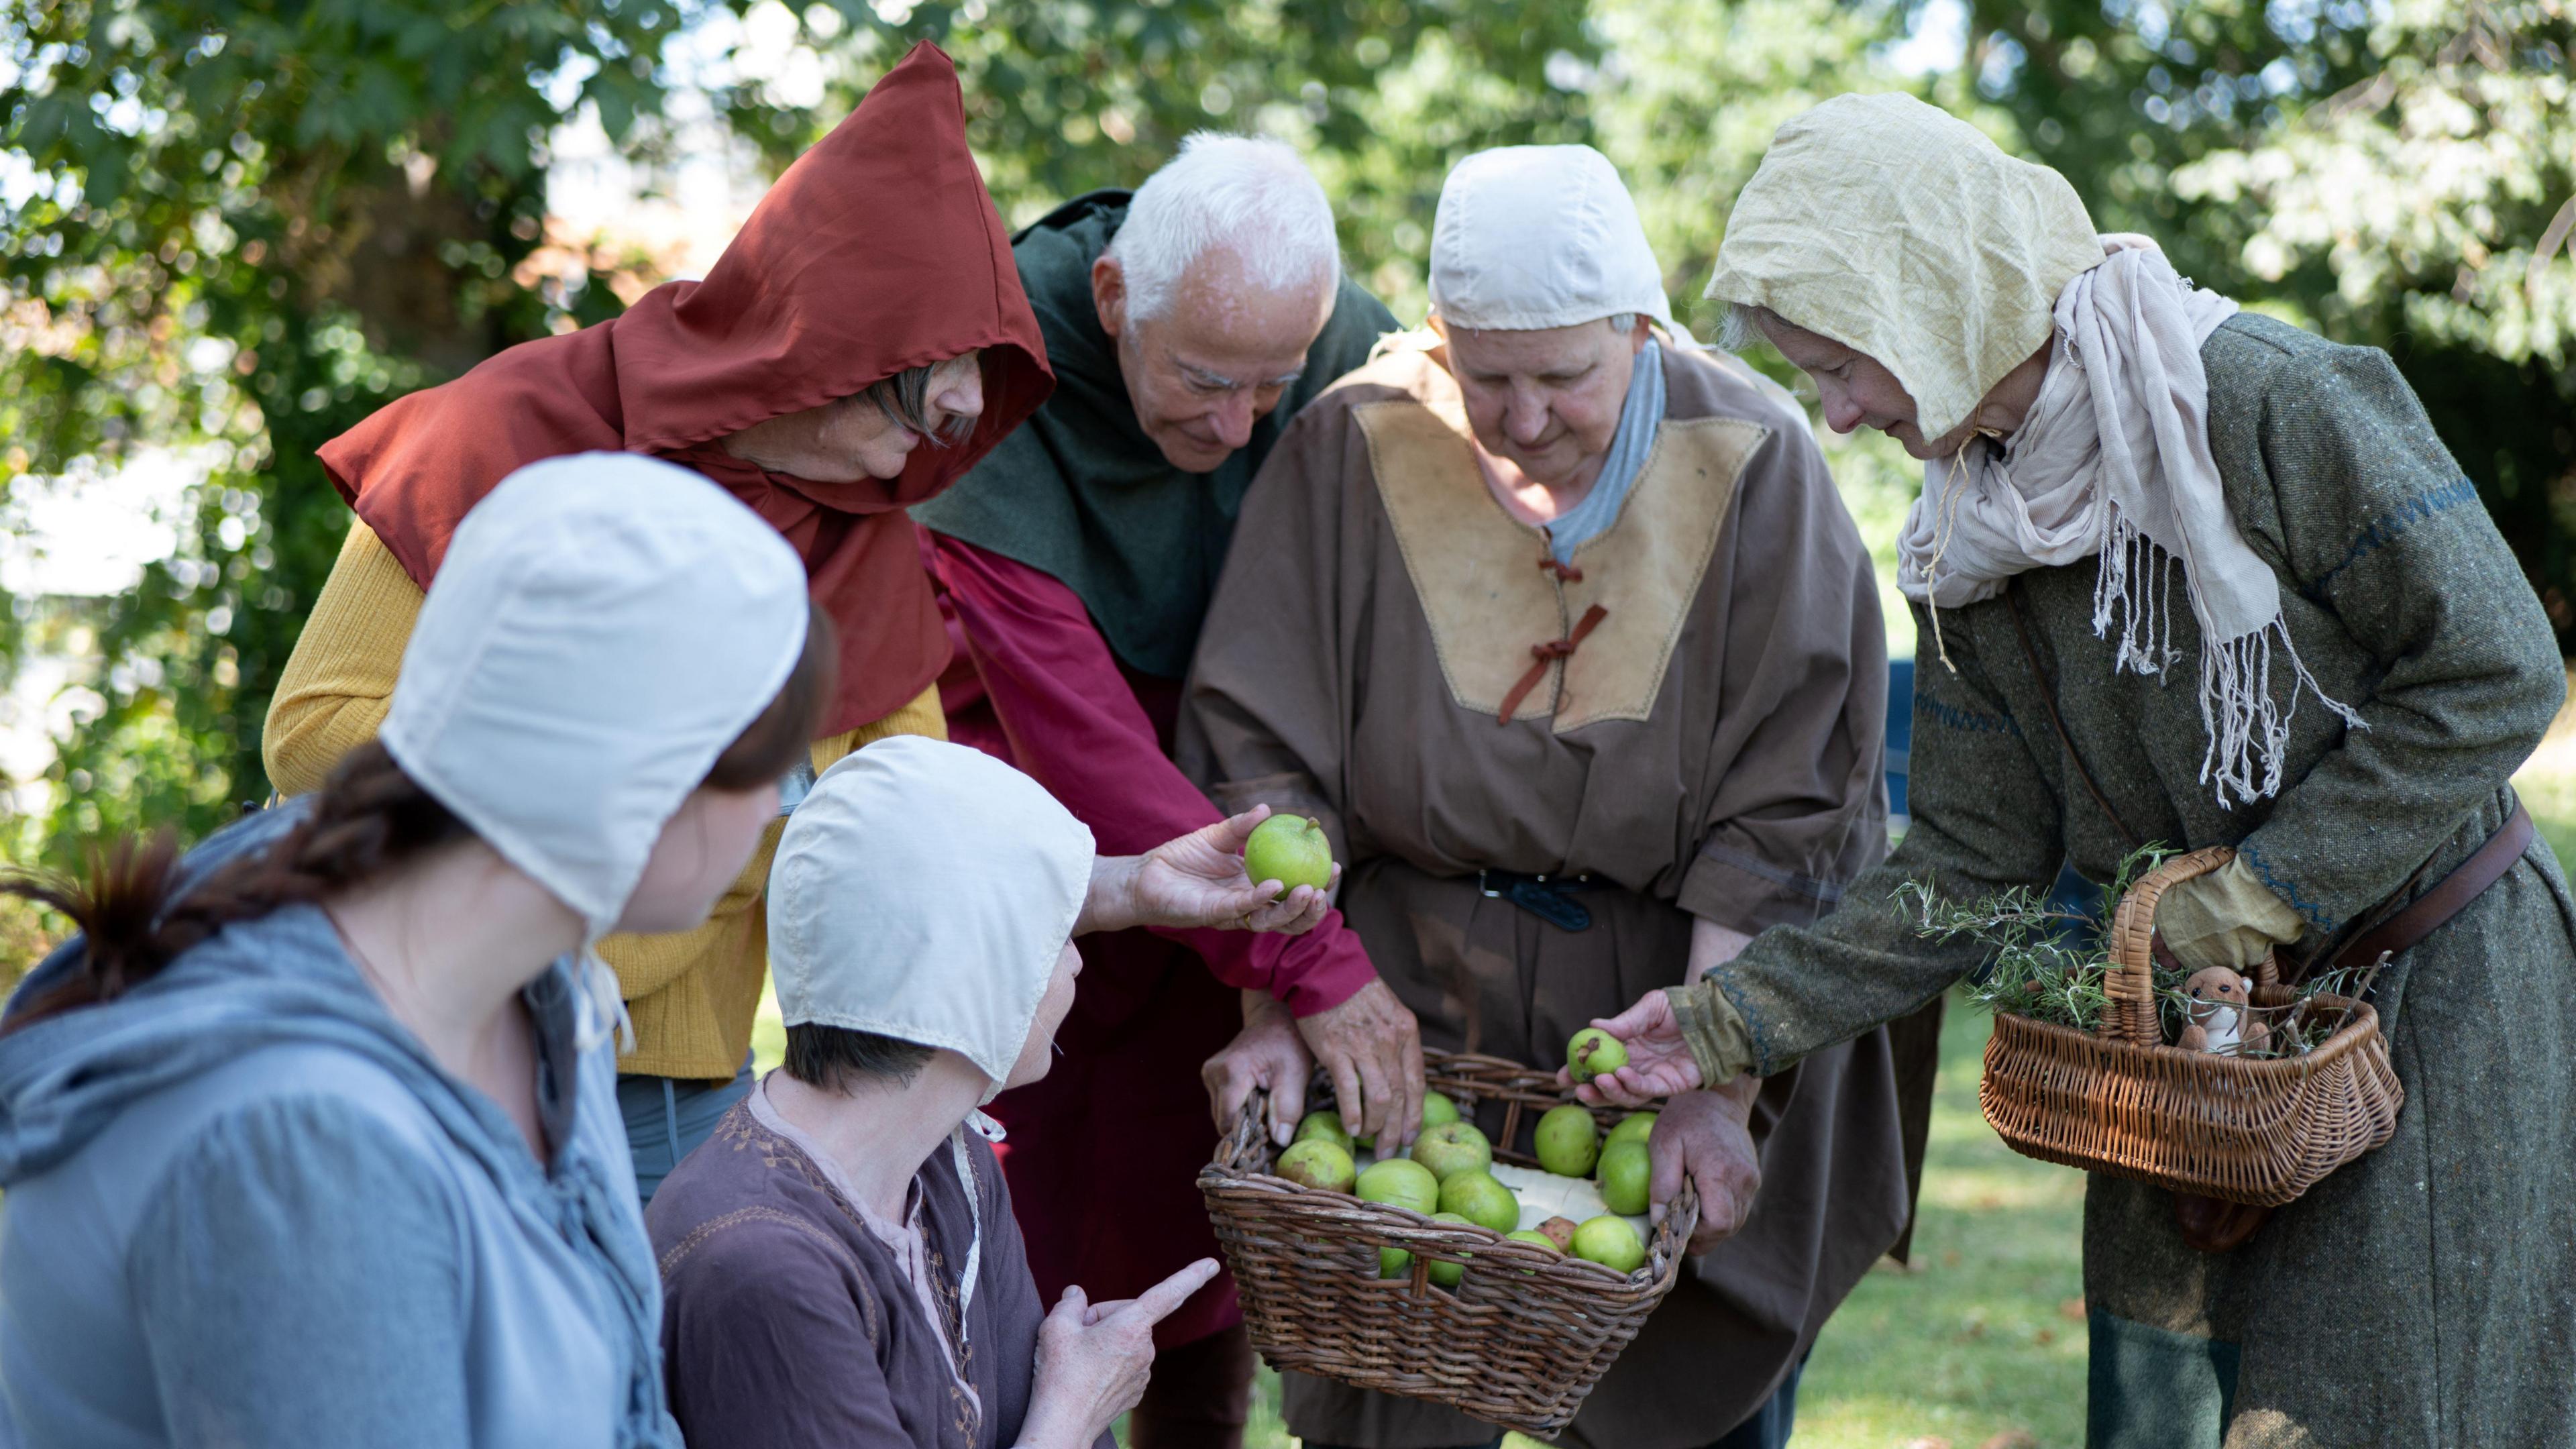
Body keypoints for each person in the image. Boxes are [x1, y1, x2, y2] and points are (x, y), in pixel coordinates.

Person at [1580, 94, 2576, 1449]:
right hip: (2181, 1051)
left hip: (2434, 1002)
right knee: (2164, 1411)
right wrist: (1721, 1025)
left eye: (1848, 366)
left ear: (1938, 297)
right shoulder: (1970, 548)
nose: (1841, 414)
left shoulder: (2267, 404)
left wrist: (2272, 885)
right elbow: (1963, 870)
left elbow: (2500, 667)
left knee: (2389, 1410)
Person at [1179, 145, 1921, 1449]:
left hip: (1686, 996)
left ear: (1640, 327)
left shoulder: (1757, 461)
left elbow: (1796, 809)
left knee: (1687, 1392)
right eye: (1488, 379)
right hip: (1403, 1011)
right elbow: (1260, 758)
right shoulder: (1351, 443)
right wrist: (1280, 996)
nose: (1523, 422)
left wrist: (1718, 1076)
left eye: (1565, 377)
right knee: (1390, 1388)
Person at [260, 42, 1052, 1203]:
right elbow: (316, 732)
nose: (959, 419)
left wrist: (1111, 885)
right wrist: (651, 783)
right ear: (832, 341)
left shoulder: (868, 526)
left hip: (672, 1102)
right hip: (426, 1031)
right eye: (935, 379)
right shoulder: (512, 427)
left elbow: (907, 820)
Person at [0, 454, 832, 1447]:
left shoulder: (540, 981)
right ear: (644, 781)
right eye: (778, 774)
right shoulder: (306, 1152)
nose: (784, 814)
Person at [906, 134, 1411, 1444]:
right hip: (1053, 902)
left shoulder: (1339, 339)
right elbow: (1079, 740)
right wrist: (1314, 964)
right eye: (1202, 381)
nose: (1237, 428)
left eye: (1272, 389)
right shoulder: (993, 371)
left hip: (1243, 889)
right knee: (1014, 1286)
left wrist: (1268, 972)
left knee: (1200, 1273)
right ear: (1119, 300)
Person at [649, 735, 1284, 1449]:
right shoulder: (762, 1273)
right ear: (966, 979)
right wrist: (1074, 1410)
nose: (1076, 957)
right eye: (1048, 933)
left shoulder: (948, 1162)